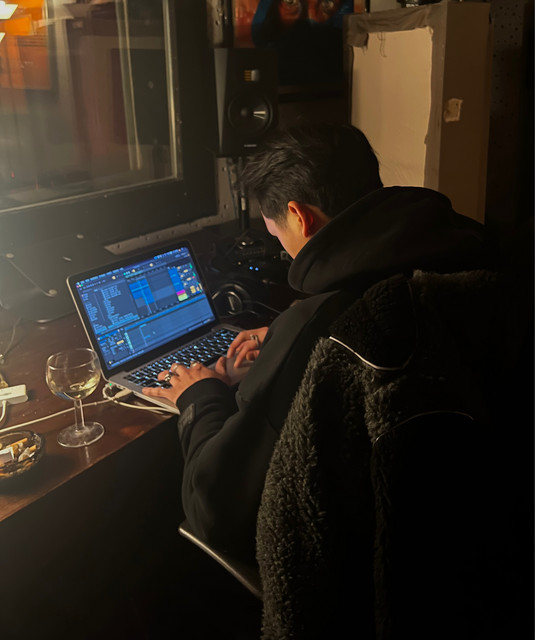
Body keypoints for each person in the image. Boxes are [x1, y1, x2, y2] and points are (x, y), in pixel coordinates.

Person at [142, 122, 497, 563]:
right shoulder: (466, 242)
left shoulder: (318, 327)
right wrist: (284, 334)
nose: (282, 246)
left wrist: (199, 395)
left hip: (354, 556)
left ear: (299, 215)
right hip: (473, 506)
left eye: (276, 233)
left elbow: (214, 511)